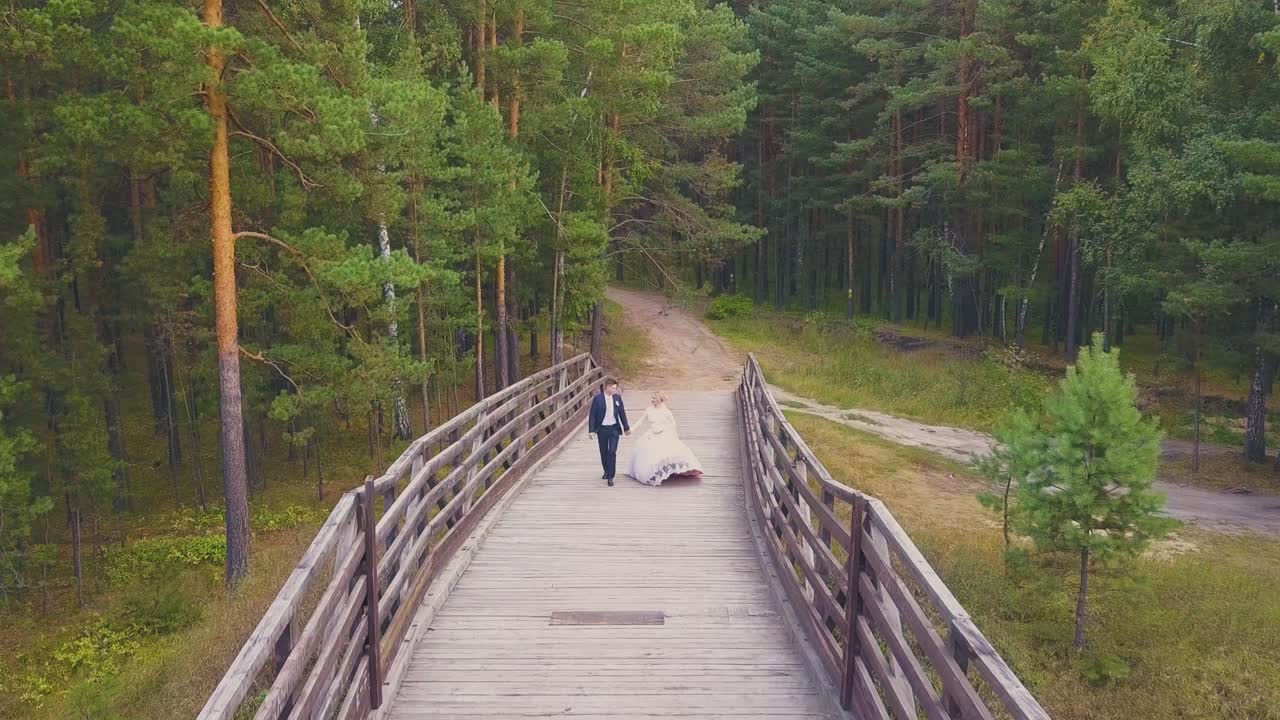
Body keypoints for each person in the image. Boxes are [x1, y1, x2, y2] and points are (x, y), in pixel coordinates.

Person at [627, 391, 703, 486]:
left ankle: (672, 469)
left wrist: (668, 430)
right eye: (652, 398)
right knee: (649, 455)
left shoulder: (666, 411)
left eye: (654, 398)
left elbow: (673, 423)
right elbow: (640, 421)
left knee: (665, 453)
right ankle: (652, 474)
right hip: (651, 434)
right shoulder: (649, 410)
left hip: (663, 433)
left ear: (659, 400)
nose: (652, 400)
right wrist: (630, 430)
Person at [588, 378, 630, 486]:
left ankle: (611, 476)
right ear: (607, 387)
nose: (615, 390)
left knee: (612, 452)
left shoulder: (617, 398)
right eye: (614, 388)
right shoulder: (598, 399)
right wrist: (591, 430)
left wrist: (626, 428)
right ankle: (606, 470)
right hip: (602, 429)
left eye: (616, 388)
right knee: (603, 452)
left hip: (614, 429)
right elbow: (592, 415)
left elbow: (621, 412)